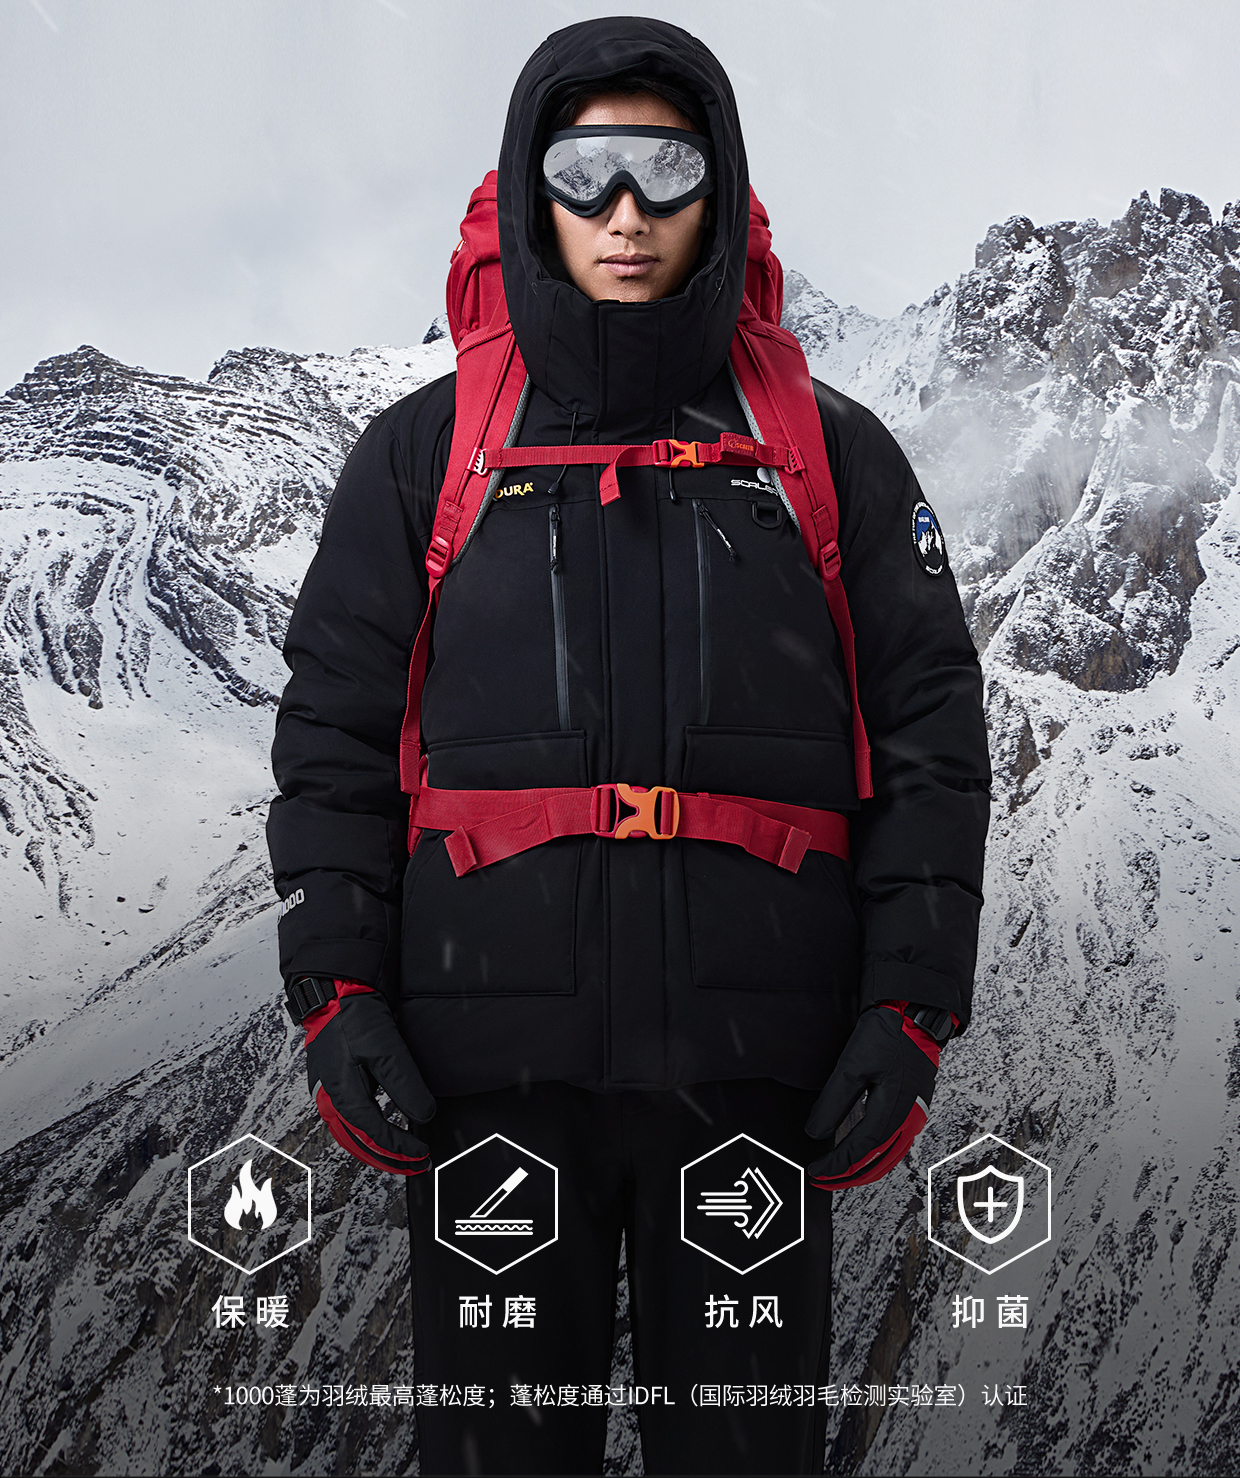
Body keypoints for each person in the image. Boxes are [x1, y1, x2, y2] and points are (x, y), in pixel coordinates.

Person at [267, 16, 990, 1476]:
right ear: (527, 188)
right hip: (486, 1092)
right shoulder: (423, 457)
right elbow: (334, 737)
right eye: (584, 169)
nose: (624, 212)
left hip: (753, 1094)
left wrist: (910, 1010)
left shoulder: (835, 455)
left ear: (720, 188)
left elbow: (929, 736)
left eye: (665, 169)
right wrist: (336, 993)